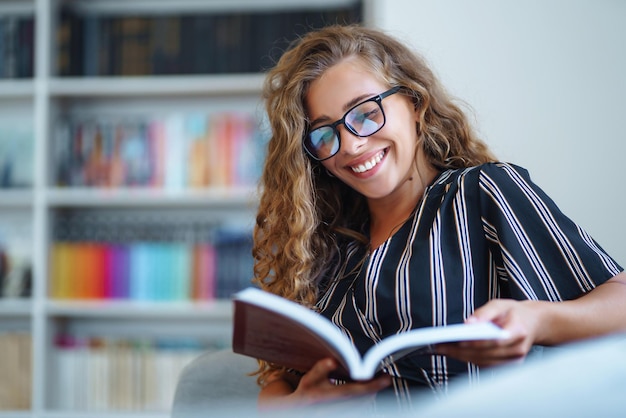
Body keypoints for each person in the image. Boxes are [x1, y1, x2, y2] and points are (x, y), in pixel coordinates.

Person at [250, 24, 626, 411]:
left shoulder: (481, 193)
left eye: (364, 113)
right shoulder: (326, 243)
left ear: (415, 103)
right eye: (324, 134)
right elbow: (277, 384)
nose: (350, 145)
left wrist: (537, 320)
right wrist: (294, 405)